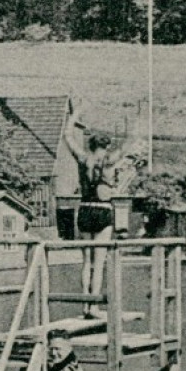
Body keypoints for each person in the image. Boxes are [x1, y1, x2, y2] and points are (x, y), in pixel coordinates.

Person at [64, 122, 128, 314]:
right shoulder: (109, 161)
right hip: (103, 209)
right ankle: (94, 306)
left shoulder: (83, 159)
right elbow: (129, 144)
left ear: (91, 145)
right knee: (99, 264)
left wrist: (74, 115)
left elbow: (68, 136)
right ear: (106, 146)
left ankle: (85, 305)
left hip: (84, 209)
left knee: (86, 262)